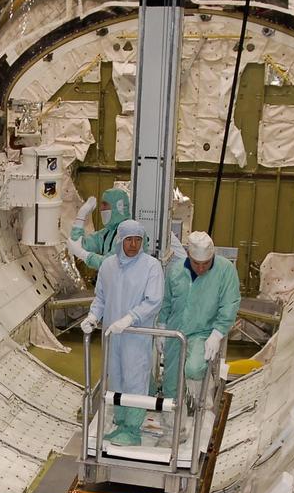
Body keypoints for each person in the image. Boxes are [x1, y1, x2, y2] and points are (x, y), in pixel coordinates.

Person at [80, 220, 164, 446]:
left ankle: (132, 429)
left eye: (138, 240)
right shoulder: (108, 266)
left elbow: (153, 301)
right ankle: (120, 423)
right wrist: (92, 317)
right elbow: (101, 298)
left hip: (136, 336)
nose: (134, 245)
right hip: (112, 336)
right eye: (129, 240)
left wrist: (130, 318)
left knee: (135, 380)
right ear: (121, 240)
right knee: (115, 377)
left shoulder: (151, 266)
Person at [159, 231, 240, 405]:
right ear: (188, 255)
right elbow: (166, 301)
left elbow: (230, 303)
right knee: (171, 377)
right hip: (175, 330)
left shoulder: (225, 270)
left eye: (206, 263)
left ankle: (201, 404)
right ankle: (173, 415)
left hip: (203, 332)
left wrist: (217, 333)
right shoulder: (176, 270)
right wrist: (161, 326)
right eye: (197, 263)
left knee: (195, 368)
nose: (201, 268)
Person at [66, 188, 131, 270]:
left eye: (105, 204)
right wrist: (81, 216)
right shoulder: (107, 233)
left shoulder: (129, 232)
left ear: (119, 207)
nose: (101, 209)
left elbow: (112, 265)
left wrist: (83, 254)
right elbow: (78, 244)